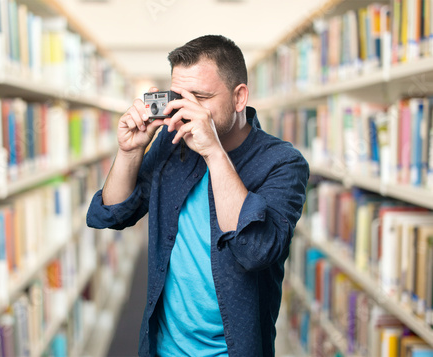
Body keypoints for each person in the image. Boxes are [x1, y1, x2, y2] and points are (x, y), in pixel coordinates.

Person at [87, 35, 310, 357]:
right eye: (180, 97)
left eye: (202, 97)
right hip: (162, 345)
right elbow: (112, 215)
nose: (187, 111)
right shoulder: (171, 142)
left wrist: (213, 153)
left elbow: (257, 251)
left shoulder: (283, 162)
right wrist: (130, 151)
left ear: (239, 97)